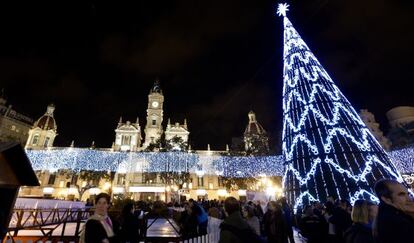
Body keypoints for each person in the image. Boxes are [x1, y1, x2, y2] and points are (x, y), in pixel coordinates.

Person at [373, 179, 414, 243]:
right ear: (386, 199)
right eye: (401, 194)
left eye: (408, 194)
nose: (409, 199)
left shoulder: (395, 215)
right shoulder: (396, 223)